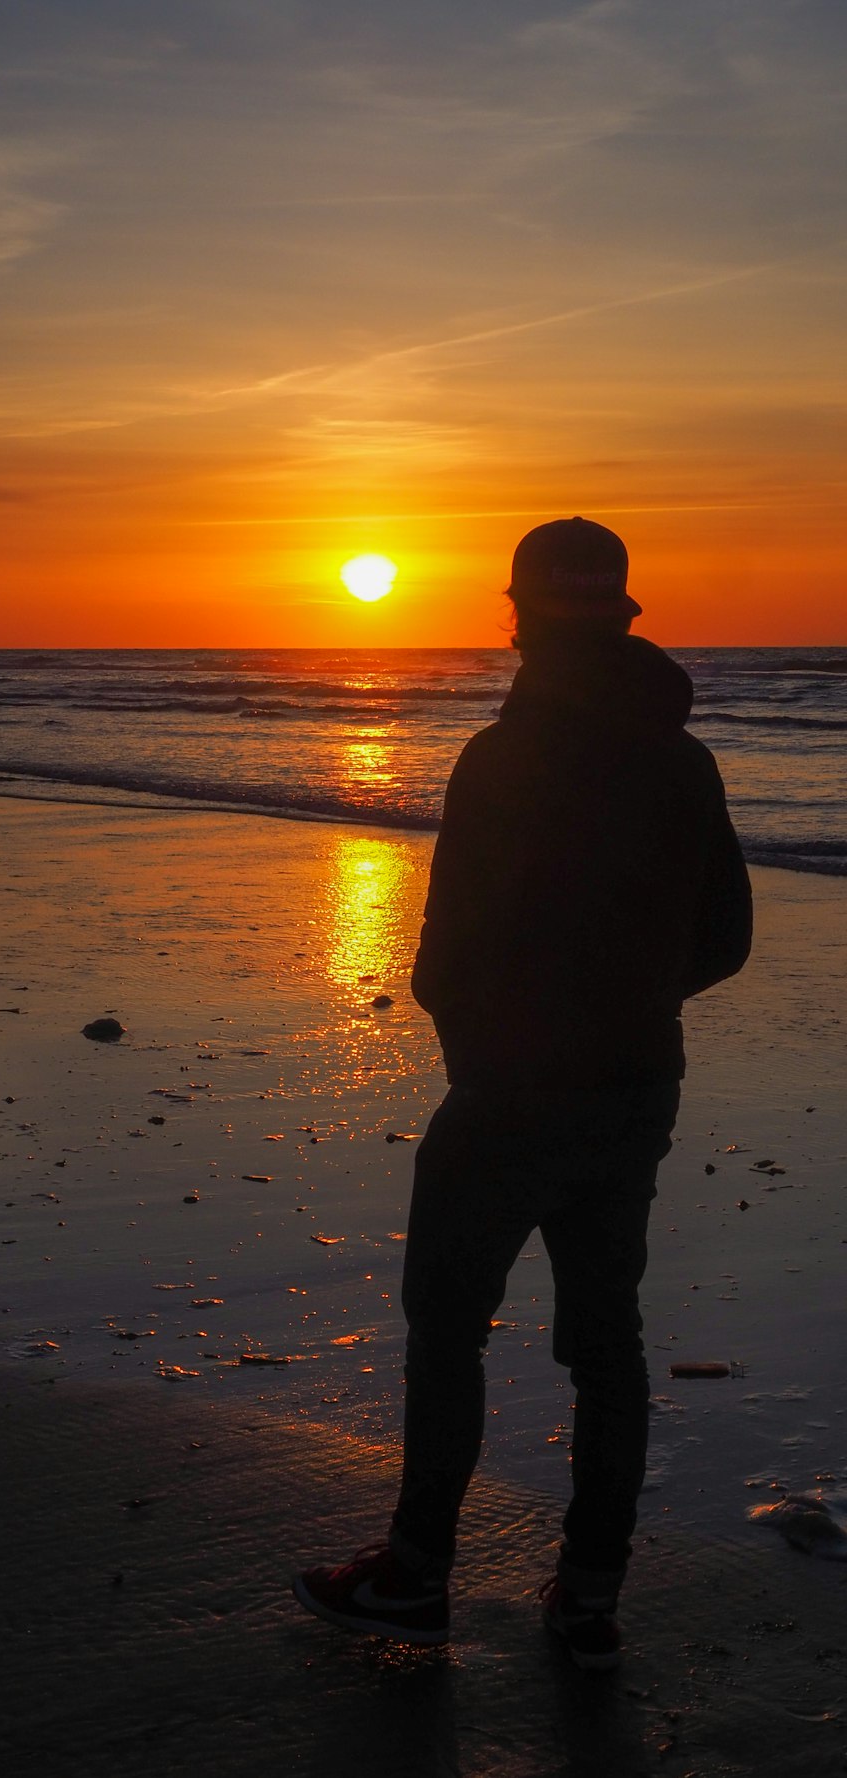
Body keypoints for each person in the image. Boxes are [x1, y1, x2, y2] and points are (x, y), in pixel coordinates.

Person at [292, 517, 753, 1670]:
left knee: (447, 1329)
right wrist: (638, 1003)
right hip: (635, 1086)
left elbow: (445, 954)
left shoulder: (505, 757)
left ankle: (413, 1574)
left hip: (511, 1089)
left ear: (517, 617)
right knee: (607, 1345)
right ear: (625, 615)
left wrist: (485, 1039)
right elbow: (728, 938)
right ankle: (588, 1598)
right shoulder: (683, 758)